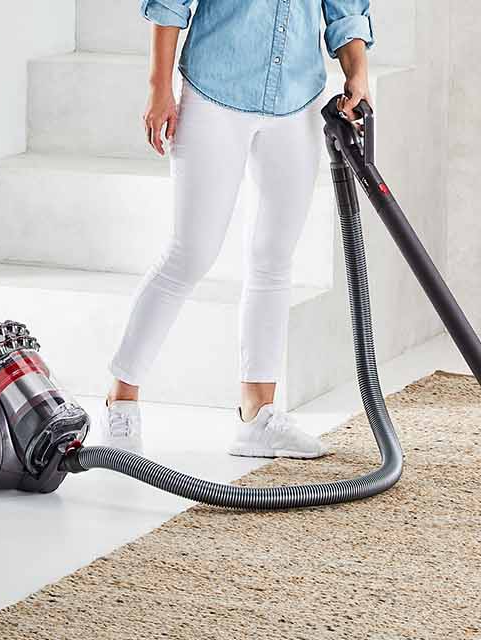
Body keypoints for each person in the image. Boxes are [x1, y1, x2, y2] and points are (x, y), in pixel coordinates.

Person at [99, 0, 374, 458]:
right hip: (215, 91)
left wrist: (357, 76)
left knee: (273, 259)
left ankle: (257, 417)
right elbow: (168, 4)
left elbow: (346, 12)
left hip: (297, 99)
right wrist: (159, 88)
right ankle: (120, 403)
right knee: (190, 253)